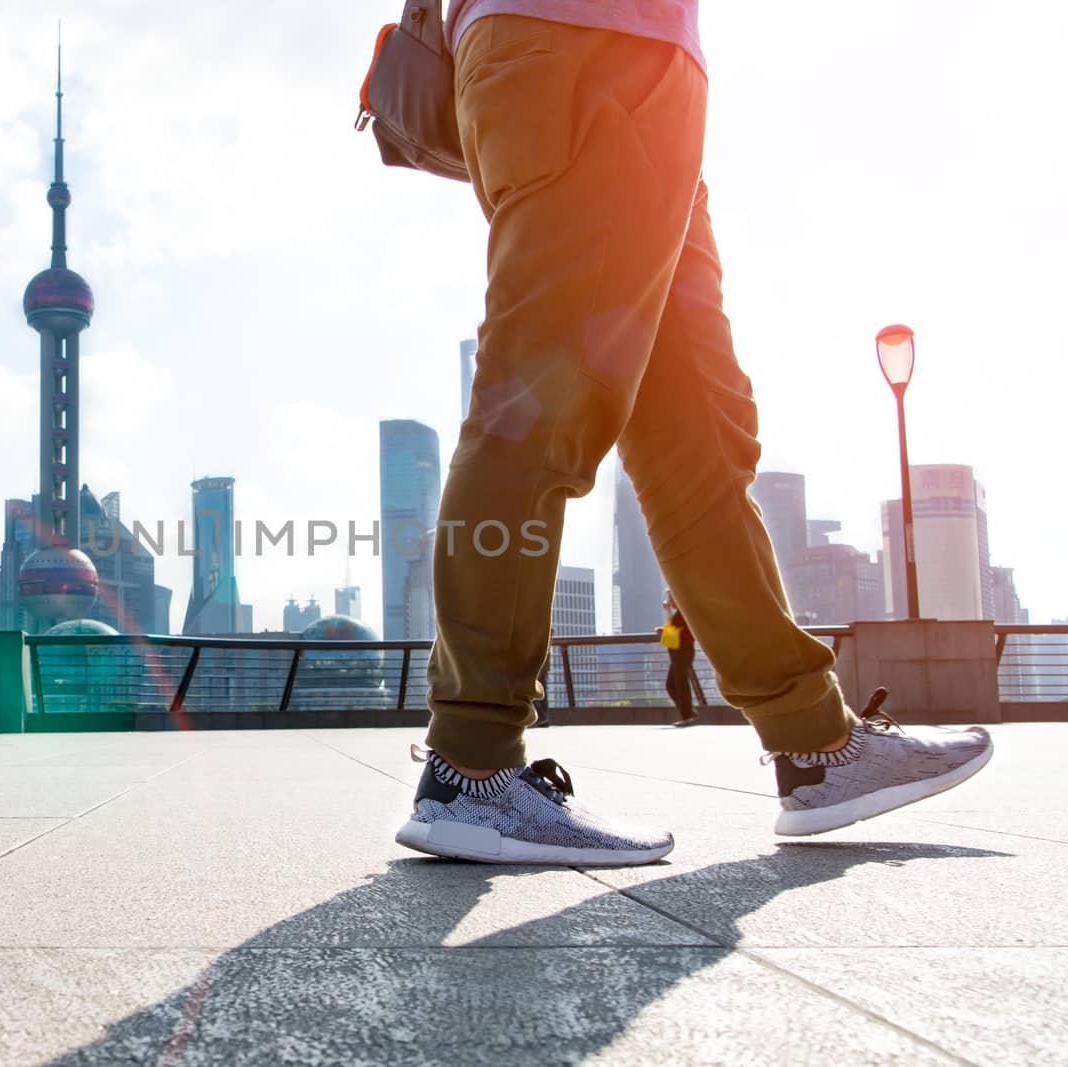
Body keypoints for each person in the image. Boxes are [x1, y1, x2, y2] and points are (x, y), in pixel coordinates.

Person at [396, 1, 993, 866]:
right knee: (535, 407)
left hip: (645, 67)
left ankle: (817, 745)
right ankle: (472, 766)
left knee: (700, 444)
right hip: (576, 45)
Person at [659, 590, 698, 727]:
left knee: (680, 683)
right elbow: (672, 632)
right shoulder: (679, 614)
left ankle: (687, 716)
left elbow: (674, 635)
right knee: (671, 685)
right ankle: (689, 713)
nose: (668, 601)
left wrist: (666, 630)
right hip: (678, 652)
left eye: (670, 598)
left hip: (683, 651)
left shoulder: (684, 613)